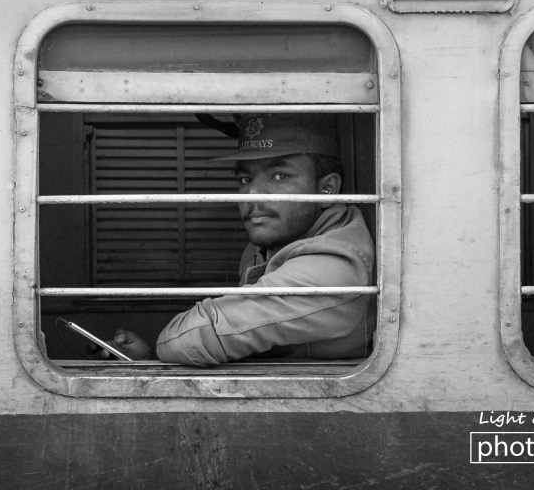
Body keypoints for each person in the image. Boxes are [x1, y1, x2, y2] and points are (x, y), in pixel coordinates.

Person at [105, 113, 376, 366]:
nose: (252, 194)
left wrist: (167, 348)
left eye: (280, 176)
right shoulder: (264, 247)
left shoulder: (336, 265)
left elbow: (187, 340)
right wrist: (149, 357)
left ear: (327, 188)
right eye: (245, 178)